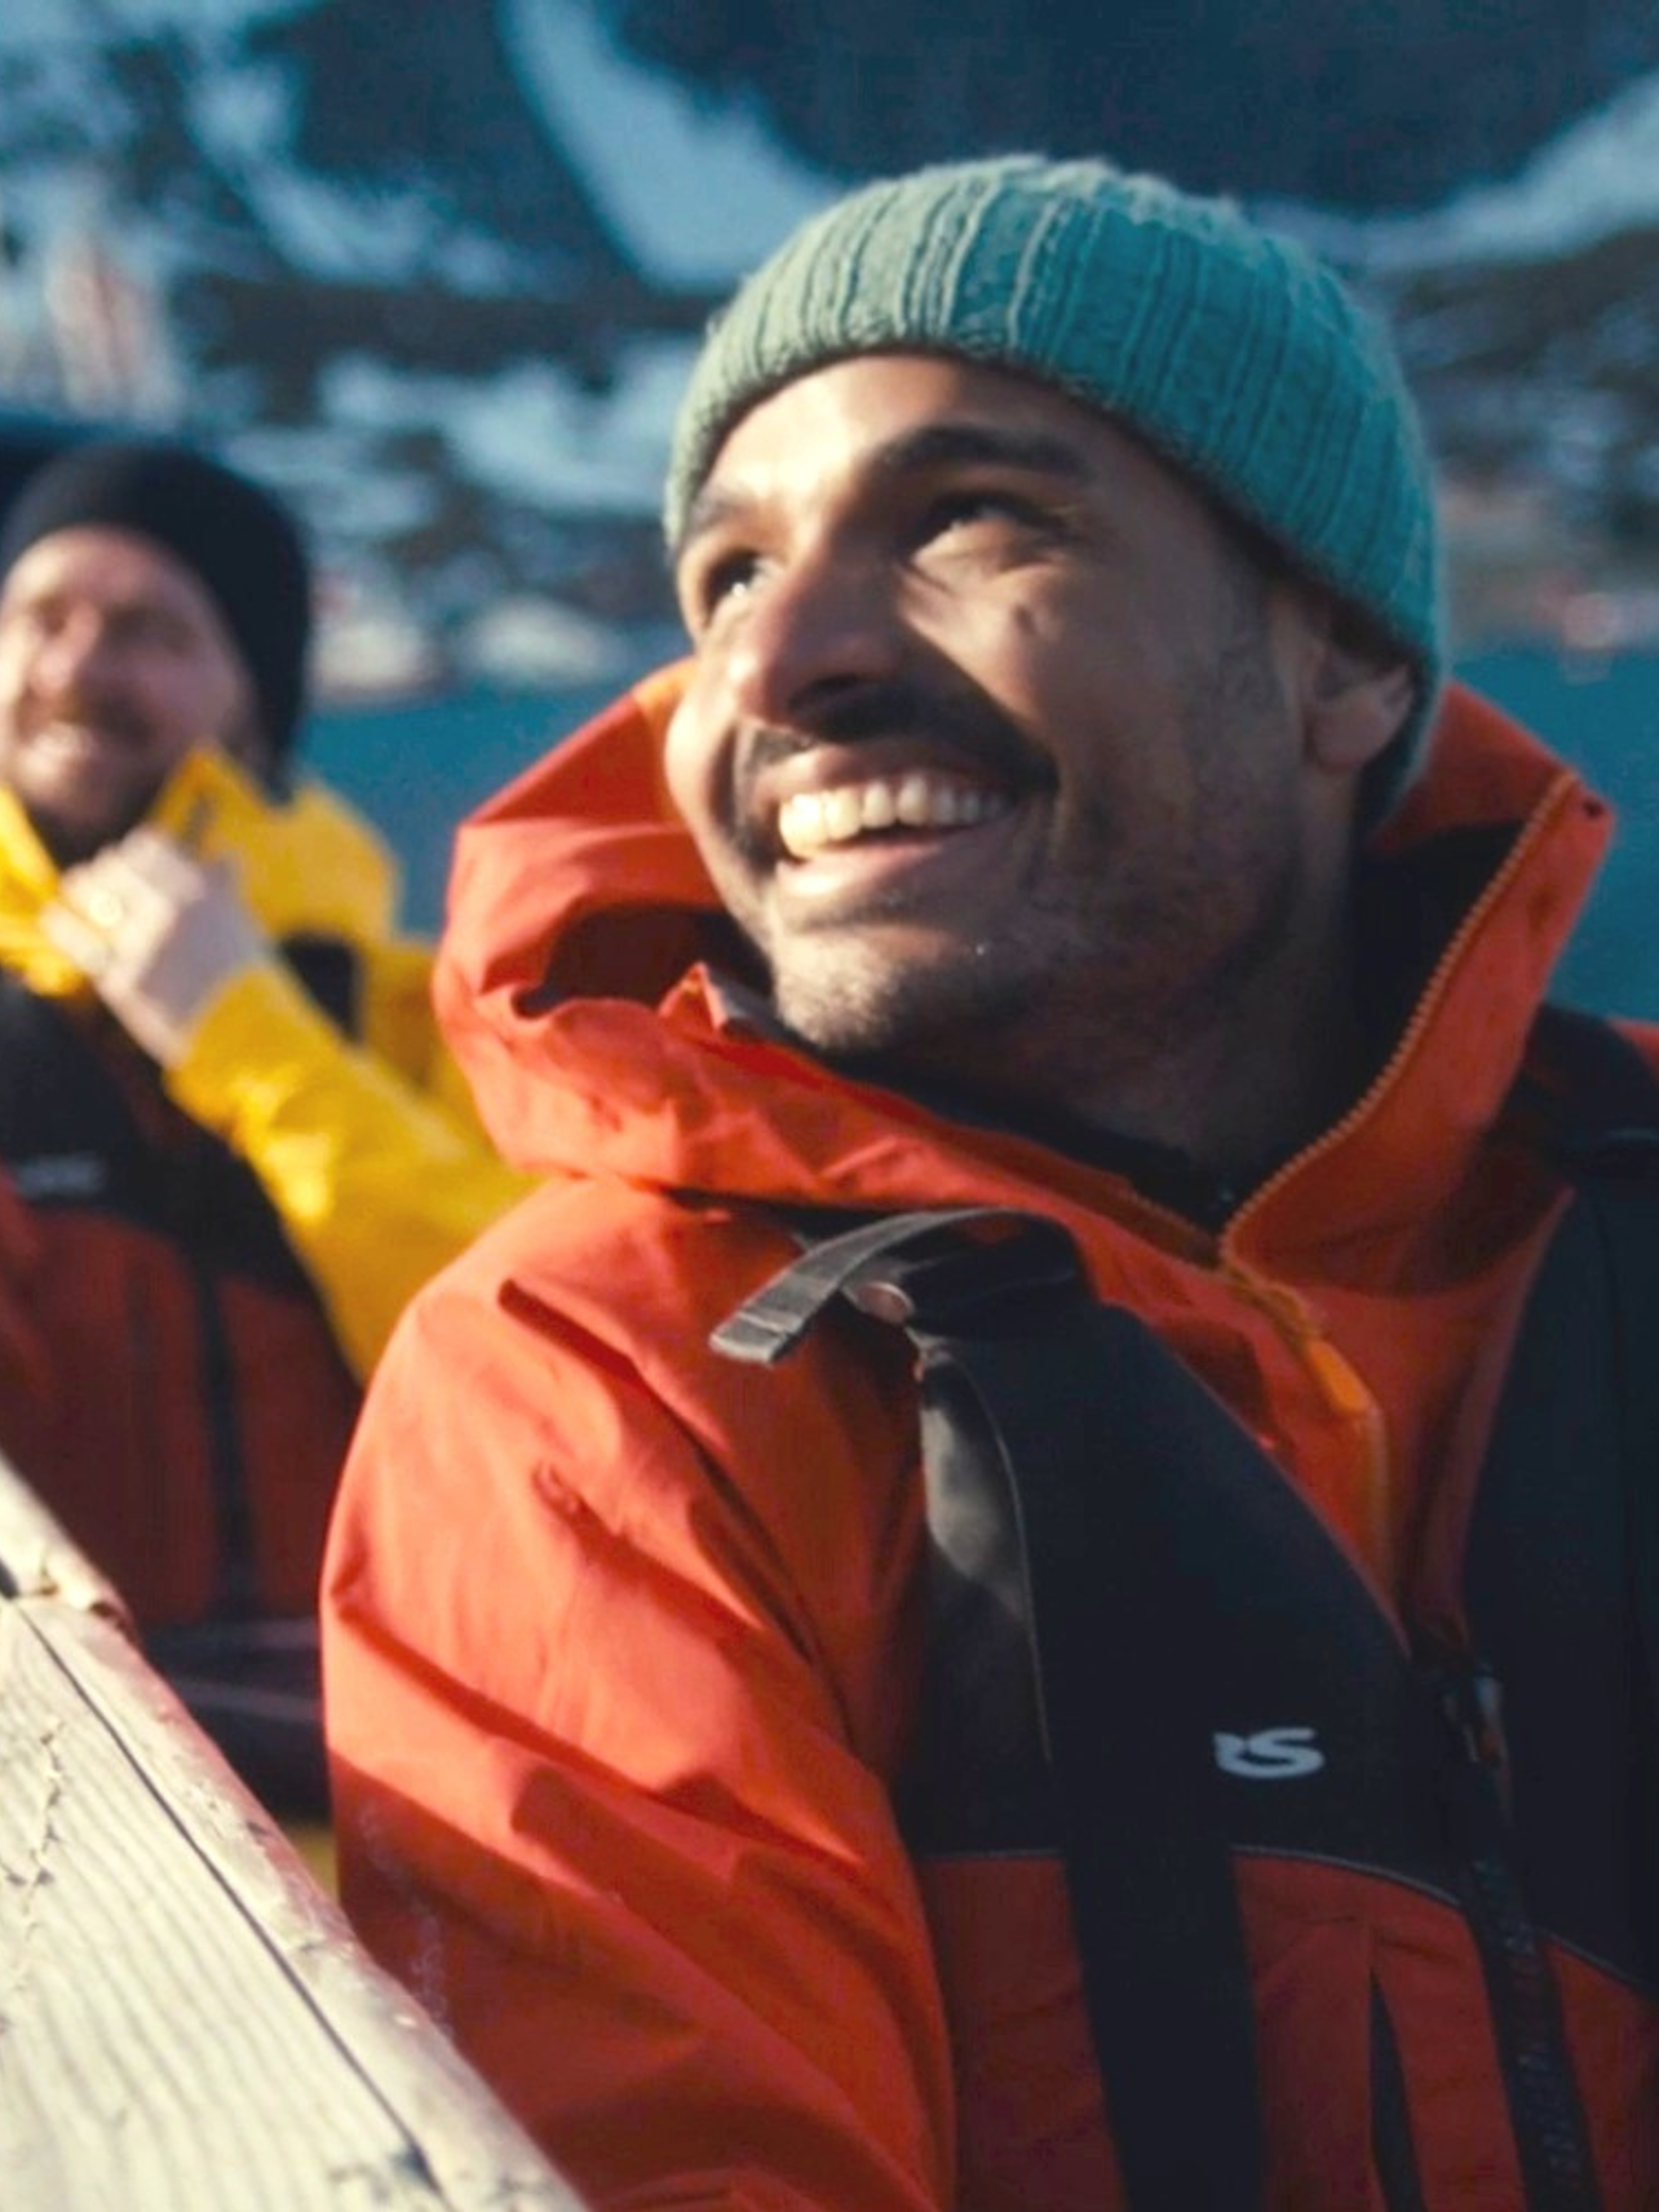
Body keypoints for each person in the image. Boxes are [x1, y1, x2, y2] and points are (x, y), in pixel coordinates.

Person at [321, 155, 1659, 2208]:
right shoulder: (614, 1383)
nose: (779, 665)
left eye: (970, 517)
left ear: (1347, 663)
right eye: (727, 580)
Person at [0, 437, 525, 1814]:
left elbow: (528, 1356)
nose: (76, 668)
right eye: (40, 617)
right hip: (69, 1844)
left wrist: (246, 1035)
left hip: (417, 1821)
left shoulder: (409, 1014)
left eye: (151, 631)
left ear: (255, 698)